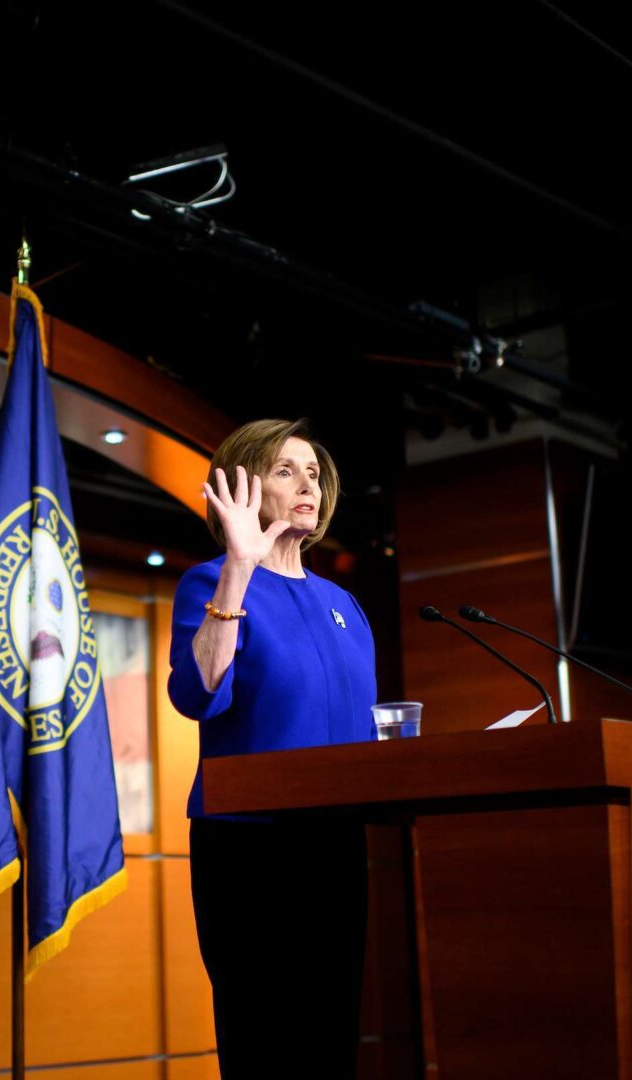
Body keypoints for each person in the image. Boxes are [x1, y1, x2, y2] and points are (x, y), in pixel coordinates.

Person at [167, 418, 377, 1078]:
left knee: (331, 1036)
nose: (306, 484)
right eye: (285, 470)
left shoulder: (343, 602)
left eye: (313, 473)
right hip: (249, 850)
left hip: (336, 845)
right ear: (242, 485)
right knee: (265, 1040)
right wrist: (238, 566)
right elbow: (197, 695)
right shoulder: (210, 582)